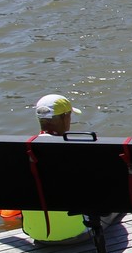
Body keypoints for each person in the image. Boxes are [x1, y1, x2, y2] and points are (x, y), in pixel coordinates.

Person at [23, 94, 90, 243]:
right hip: (78, 233)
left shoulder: (23, 152)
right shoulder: (75, 152)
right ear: (65, 117)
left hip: (36, 234)